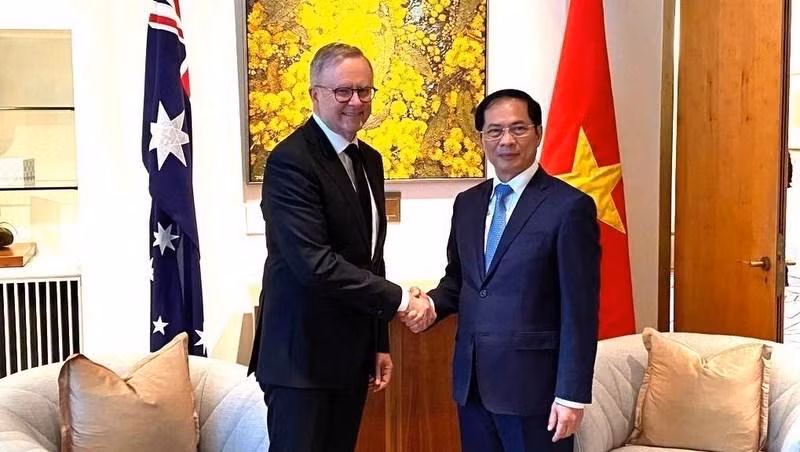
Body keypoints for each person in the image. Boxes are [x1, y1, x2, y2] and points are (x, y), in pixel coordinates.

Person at [248, 43, 435, 452]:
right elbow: (314, 264)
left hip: (349, 358)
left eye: (365, 91)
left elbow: (371, 257)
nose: (356, 101)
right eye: (343, 91)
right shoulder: (290, 160)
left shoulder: (369, 159)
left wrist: (378, 343)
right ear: (315, 94)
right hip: (301, 362)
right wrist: (402, 299)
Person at [404, 89, 600, 451]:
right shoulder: (468, 204)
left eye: (518, 128)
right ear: (481, 139)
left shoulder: (569, 207)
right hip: (473, 385)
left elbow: (580, 310)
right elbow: (459, 281)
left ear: (538, 133)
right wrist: (430, 305)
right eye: (494, 131)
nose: (506, 140)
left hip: (534, 392)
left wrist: (571, 394)